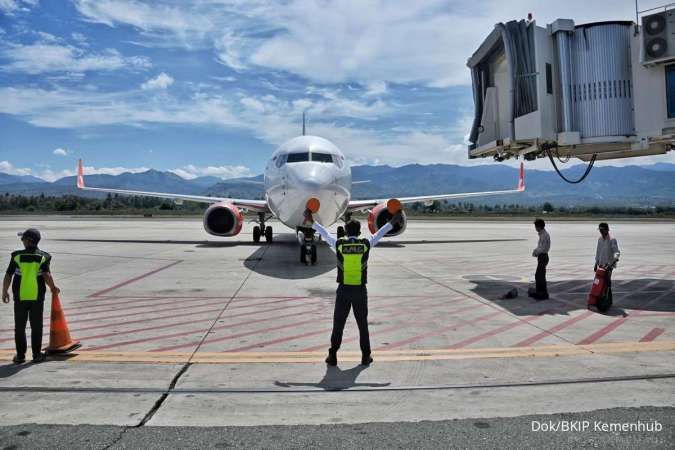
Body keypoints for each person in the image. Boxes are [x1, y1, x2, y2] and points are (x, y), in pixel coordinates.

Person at [305, 209, 403, 367]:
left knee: (338, 324)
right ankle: (365, 356)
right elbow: (380, 233)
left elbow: (325, 233)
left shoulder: (340, 245)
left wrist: (311, 220)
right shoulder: (365, 244)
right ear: (359, 232)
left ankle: (333, 355)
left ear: (345, 232)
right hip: (360, 291)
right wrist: (393, 220)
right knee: (362, 325)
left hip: (343, 291)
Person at [2, 229, 59, 363]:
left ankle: (20, 356)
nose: (21, 241)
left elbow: (9, 274)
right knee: (37, 326)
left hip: (20, 296)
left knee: (20, 327)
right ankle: (36, 355)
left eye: (23, 239)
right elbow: (46, 275)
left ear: (28, 241)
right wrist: (53, 288)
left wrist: (4, 291)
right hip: (37, 296)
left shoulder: (17, 256)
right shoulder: (44, 256)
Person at [594, 222, 620, 305]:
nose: (601, 231)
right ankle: (602, 297)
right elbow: (598, 251)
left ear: (607, 229)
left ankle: (608, 298)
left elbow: (616, 251)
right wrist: (596, 263)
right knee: (599, 281)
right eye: (600, 230)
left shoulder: (612, 239)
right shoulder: (600, 239)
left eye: (602, 230)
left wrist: (615, 259)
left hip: (609, 264)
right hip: (601, 264)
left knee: (607, 281)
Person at [529, 218, 550, 300]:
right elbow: (541, 247)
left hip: (543, 256)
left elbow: (543, 248)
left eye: (536, 226)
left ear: (539, 226)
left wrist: (536, 252)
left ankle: (542, 293)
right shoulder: (542, 234)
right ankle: (542, 292)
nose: (535, 228)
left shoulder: (544, 235)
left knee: (539, 276)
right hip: (542, 256)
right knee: (540, 275)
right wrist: (536, 251)